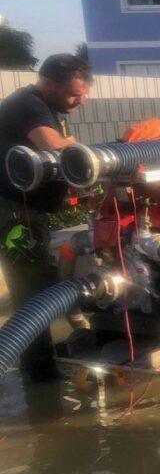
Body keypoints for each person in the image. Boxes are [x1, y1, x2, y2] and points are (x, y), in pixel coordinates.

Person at [0, 54, 92, 381]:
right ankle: (40, 380)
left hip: (28, 211)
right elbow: (56, 149)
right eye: (73, 94)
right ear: (49, 84)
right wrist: (73, 146)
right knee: (32, 292)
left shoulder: (50, 106)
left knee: (42, 286)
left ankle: (45, 364)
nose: (80, 101)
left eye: (84, 94)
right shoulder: (29, 104)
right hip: (15, 214)